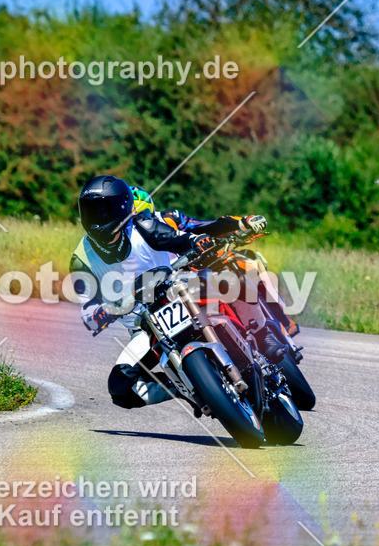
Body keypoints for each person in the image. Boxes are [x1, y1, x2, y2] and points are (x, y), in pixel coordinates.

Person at [70, 175, 268, 410]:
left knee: (229, 281)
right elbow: (88, 313)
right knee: (120, 389)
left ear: (123, 207)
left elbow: (176, 238)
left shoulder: (143, 226)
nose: (95, 220)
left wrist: (197, 242)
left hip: (182, 294)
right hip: (148, 329)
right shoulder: (80, 259)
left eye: (103, 211)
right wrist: (106, 311)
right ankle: (186, 387)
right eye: (90, 212)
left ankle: (262, 336)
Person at [131, 184, 298, 337]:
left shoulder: (169, 217)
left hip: (198, 267)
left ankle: (282, 317)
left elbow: (202, 226)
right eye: (132, 219)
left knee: (246, 262)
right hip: (167, 286)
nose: (139, 222)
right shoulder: (124, 241)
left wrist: (240, 223)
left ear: (150, 209)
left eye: (142, 215)